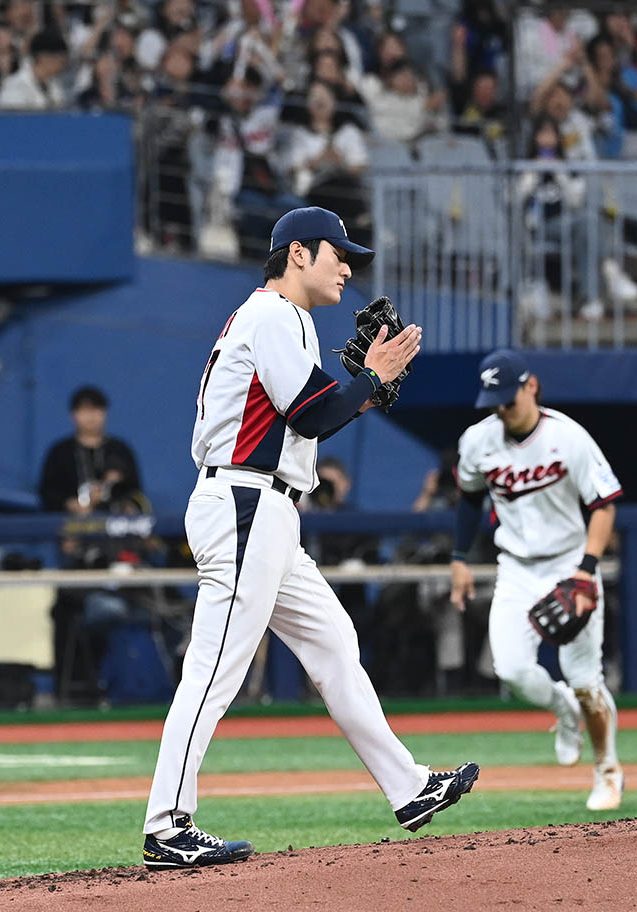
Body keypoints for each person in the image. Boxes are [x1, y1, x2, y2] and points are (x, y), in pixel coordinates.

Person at [141, 206, 478, 870]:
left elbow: (318, 412)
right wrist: (369, 379)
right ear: (298, 254)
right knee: (213, 669)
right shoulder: (274, 315)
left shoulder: (281, 321)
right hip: (246, 501)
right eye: (337, 253)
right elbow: (316, 412)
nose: (347, 267)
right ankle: (166, 824)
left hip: (264, 507)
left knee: (334, 644)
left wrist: (362, 384)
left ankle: (408, 788)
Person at [450, 349, 624, 811]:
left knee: (586, 679)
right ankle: (563, 711)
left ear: (532, 386)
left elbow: (604, 504)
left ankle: (608, 770)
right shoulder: (478, 440)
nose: (501, 409)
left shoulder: (568, 438)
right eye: (493, 401)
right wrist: (459, 558)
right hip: (516, 568)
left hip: (570, 563)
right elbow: (468, 498)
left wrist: (586, 571)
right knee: (509, 669)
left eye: (508, 398)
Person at [39, 386, 142, 515]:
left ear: (105, 412)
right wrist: (71, 504)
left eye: (96, 409)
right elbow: (47, 493)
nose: (90, 416)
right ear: (73, 415)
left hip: (116, 522)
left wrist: (116, 492)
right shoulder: (60, 452)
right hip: (72, 524)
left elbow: (136, 492)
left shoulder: (120, 450)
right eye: (84, 410)